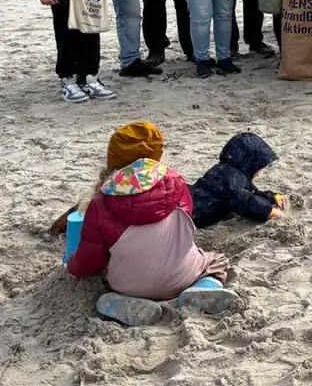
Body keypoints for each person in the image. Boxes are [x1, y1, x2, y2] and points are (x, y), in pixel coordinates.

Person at [67, 122, 238, 326]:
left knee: (106, 276)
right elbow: (185, 223)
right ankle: (205, 287)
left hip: (129, 285)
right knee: (215, 261)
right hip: (182, 277)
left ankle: (119, 301)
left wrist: (73, 264)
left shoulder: (101, 203)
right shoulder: (176, 182)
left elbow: (90, 260)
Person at [189, 133, 285, 228]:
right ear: (249, 163)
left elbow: (250, 193)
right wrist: (270, 212)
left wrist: (272, 197)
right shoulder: (233, 178)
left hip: (191, 199)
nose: (259, 173)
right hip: (193, 213)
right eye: (258, 167)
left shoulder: (225, 170)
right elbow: (246, 202)